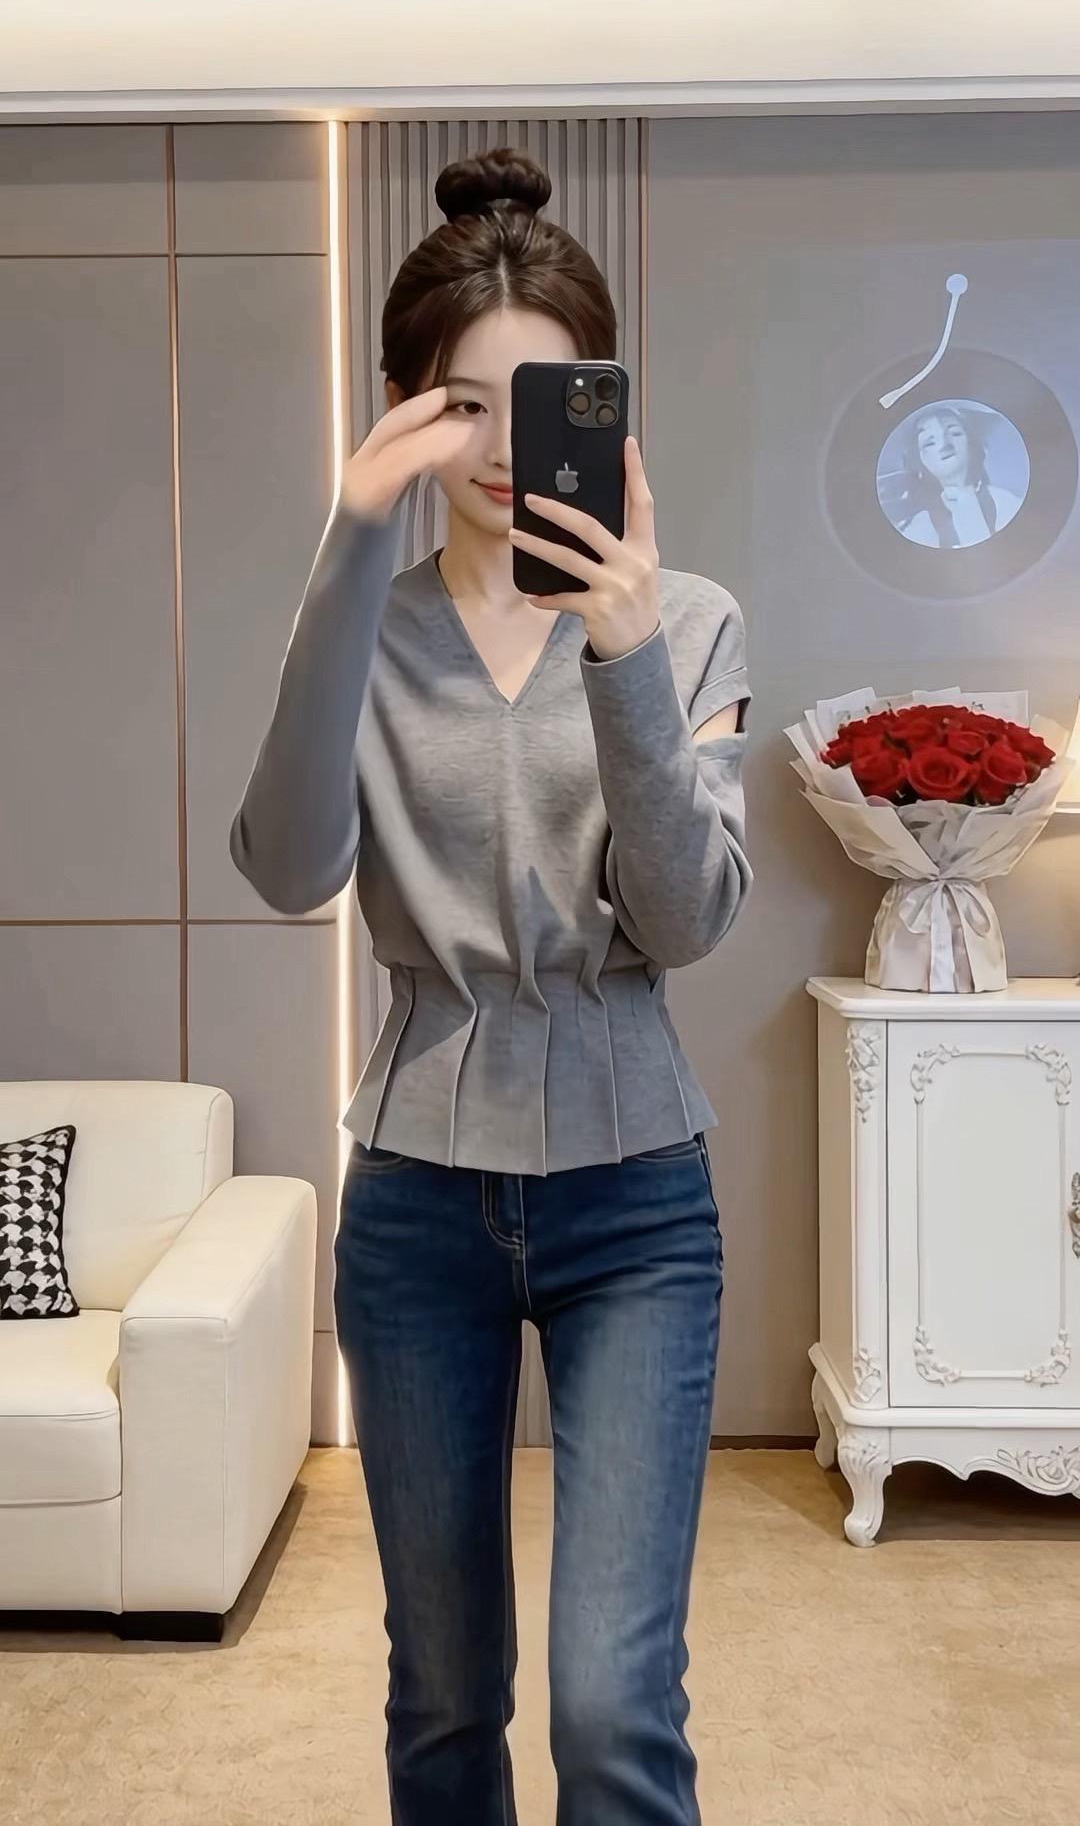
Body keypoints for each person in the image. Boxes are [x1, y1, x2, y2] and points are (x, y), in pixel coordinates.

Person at [230, 146, 752, 1826]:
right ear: (403, 410)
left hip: (637, 1201)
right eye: (464, 406)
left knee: (613, 1708)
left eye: (544, 401)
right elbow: (289, 868)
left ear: (605, 404)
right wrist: (347, 544)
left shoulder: (687, 621)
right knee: (445, 1696)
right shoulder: (365, 628)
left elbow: (682, 919)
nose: (507, 447)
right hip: (416, 1205)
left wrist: (627, 652)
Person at [895, 403, 1023, 548]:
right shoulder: (918, 528)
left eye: (955, 433)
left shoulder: (1005, 503)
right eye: (930, 443)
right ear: (918, 459)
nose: (945, 445)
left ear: (972, 444)